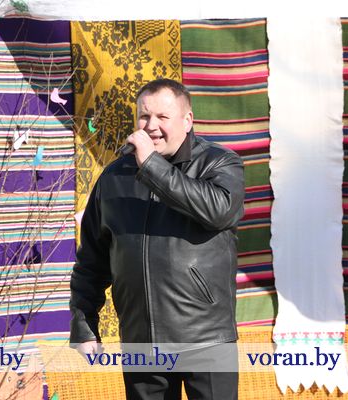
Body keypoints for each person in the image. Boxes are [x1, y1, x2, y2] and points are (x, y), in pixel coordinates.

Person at [70, 78, 245, 400]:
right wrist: (84, 325)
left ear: (187, 120)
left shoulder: (219, 162)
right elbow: (91, 261)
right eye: (144, 116)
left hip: (206, 339)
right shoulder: (114, 177)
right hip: (142, 342)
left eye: (162, 117)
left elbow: (219, 211)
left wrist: (151, 165)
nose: (151, 126)